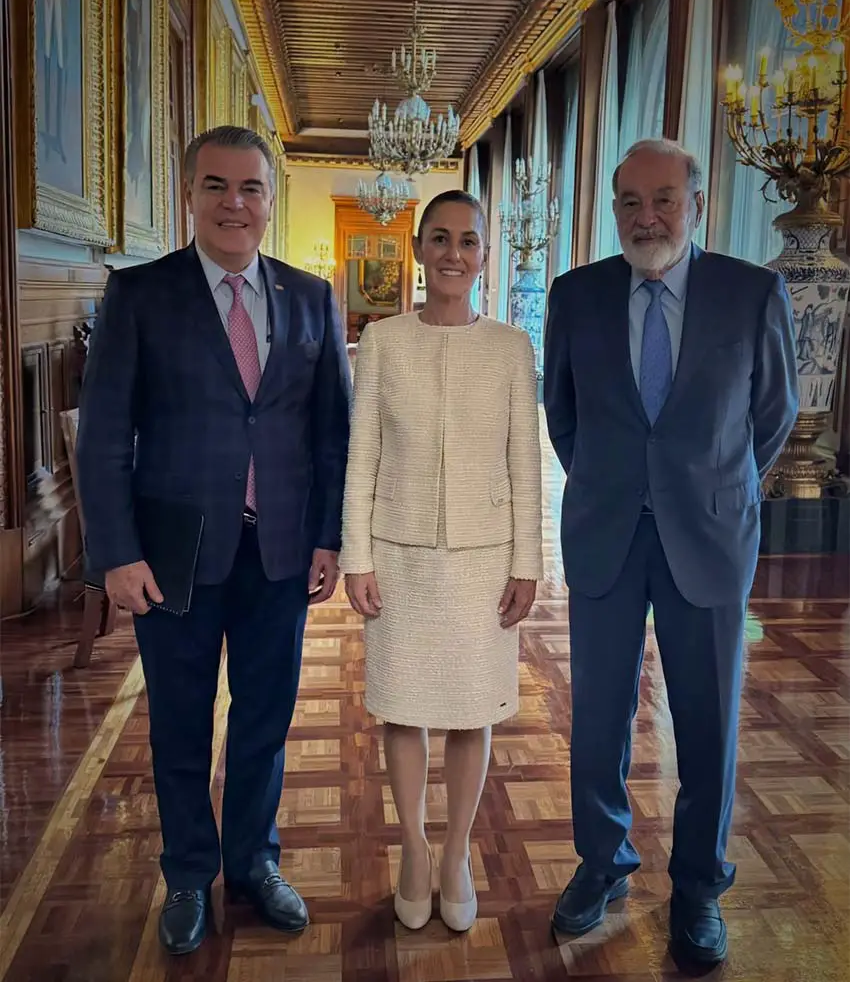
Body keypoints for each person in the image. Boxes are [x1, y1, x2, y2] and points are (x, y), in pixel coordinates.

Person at [76, 126, 351, 955]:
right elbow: (102, 436)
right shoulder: (140, 294)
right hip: (173, 559)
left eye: (251, 188)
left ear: (271, 200)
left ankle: (255, 863)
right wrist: (115, 553)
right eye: (217, 186)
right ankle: (190, 873)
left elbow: (332, 432)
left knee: (265, 720)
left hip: (281, 554)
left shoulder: (311, 298)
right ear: (189, 194)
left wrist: (329, 537)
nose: (235, 204)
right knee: (180, 724)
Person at [543, 138, 798, 971]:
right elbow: (565, 414)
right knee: (597, 722)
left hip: (710, 535)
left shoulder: (752, 291)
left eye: (663, 200)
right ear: (613, 206)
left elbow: (775, 413)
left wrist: (711, 482)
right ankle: (603, 863)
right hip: (607, 532)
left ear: (698, 202)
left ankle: (697, 887)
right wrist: (621, 481)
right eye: (629, 202)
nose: (646, 217)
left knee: (709, 722)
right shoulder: (575, 295)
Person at [340, 190, 543, 933]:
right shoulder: (384, 341)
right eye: (441, 238)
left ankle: (456, 851)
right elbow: (362, 455)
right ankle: (414, 850)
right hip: (398, 554)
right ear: (420, 250)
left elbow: (526, 461)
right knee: (403, 706)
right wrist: (357, 554)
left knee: (470, 710)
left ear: (485, 254)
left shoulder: (513, 347)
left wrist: (528, 563)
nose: (454, 252)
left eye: (469, 240)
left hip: (484, 561)